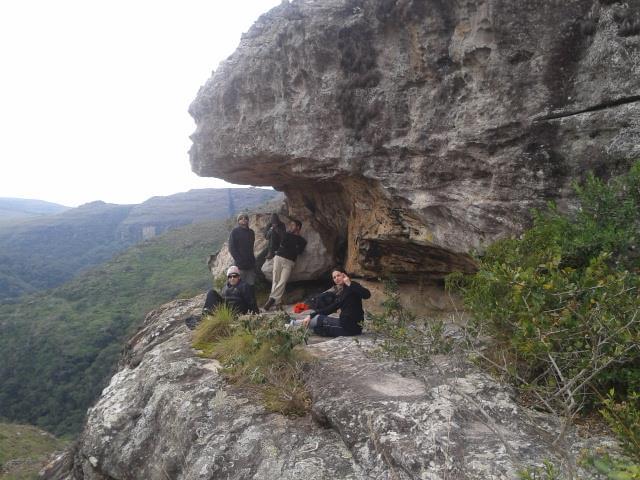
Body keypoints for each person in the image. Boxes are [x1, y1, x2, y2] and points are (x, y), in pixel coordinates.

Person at [293, 267, 371, 337]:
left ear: (344, 275)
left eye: (338, 275)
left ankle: (294, 324)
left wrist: (349, 283)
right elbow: (331, 308)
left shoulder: (352, 285)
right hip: (347, 325)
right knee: (318, 325)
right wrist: (311, 315)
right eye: (334, 277)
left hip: (350, 328)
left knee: (319, 321)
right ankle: (296, 324)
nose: (336, 278)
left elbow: (367, 295)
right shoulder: (343, 292)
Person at [263, 219, 307, 310]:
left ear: (298, 227)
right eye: (290, 225)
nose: (290, 226)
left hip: (289, 262)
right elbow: (283, 243)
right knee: (275, 280)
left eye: (293, 225)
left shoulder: (302, 240)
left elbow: (299, 251)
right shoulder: (286, 234)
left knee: (282, 281)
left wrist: (292, 247)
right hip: (278, 258)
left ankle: (271, 299)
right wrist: (294, 246)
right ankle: (278, 304)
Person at [228, 213, 256, 286]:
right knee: (240, 285)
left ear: (248, 220)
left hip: (250, 263)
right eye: (241, 218)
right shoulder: (234, 232)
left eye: (245, 218)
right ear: (238, 221)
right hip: (240, 265)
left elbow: (251, 247)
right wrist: (239, 260)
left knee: (251, 284)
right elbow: (231, 248)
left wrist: (252, 260)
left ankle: (250, 297)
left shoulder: (251, 233)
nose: (243, 219)